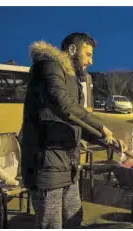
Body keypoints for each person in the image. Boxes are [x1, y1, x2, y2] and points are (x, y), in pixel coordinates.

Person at [20, 33, 124, 228]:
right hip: (47, 165)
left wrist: (106, 141)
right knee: (52, 225)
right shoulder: (48, 66)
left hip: (69, 167)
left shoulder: (73, 79)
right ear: (72, 50)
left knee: (74, 221)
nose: (91, 61)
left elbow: (76, 124)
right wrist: (101, 125)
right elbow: (64, 106)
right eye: (88, 54)